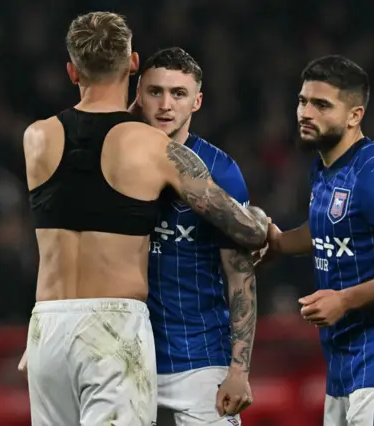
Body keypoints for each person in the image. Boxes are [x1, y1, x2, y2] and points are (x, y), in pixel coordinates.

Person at [20, 12, 268, 426]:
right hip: (113, 327)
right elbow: (249, 231)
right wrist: (259, 219)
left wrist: (130, 107)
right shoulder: (152, 147)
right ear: (133, 65)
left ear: (70, 70)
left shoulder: (36, 137)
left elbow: (85, 172)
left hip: (47, 325)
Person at [257, 55, 374, 426]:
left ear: (354, 115)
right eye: (302, 101)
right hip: (346, 361)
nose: (305, 113)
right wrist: (278, 244)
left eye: (322, 105)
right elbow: (336, 227)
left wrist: (344, 300)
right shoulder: (326, 168)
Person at [132, 47, 256, 425]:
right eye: (155, 92)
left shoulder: (221, 171)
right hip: (128, 358)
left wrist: (239, 371)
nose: (166, 105)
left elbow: (240, 276)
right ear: (139, 95)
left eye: (178, 94)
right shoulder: (116, 162)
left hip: (200, 358)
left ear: (197, 101)